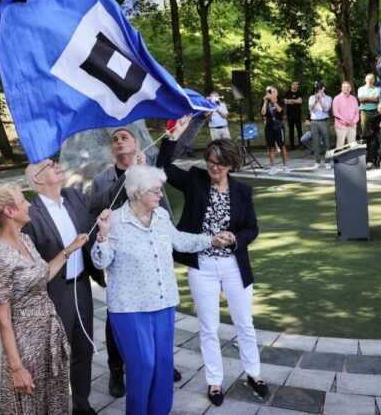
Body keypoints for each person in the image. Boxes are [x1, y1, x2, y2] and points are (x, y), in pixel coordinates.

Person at [90, 165, 236, 412]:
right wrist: (102, 236)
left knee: (163, 363)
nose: (161, 195)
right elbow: (100, 261)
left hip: (163, 301)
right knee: (143, 365)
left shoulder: (161, 217)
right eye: (156, 191)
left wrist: (211, 239)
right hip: (130, 308)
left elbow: (179, 240)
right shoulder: (115, 220)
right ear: (137, 193)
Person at [157, 130, 267, 407]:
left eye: (219, 163)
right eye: (210, 161)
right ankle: (214, 381)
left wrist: (236, 238)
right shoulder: (195, 179)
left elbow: (252, 228)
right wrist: (172, 137)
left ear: (231, 164)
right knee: (208, 327)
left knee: (245, 324)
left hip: (234, 264)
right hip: (202, 265)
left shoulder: (242, 191)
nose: (213, 167)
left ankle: (254, 374)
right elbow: (163, 168)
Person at [89, 127, 184, 398]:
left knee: (156, 315)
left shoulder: (151, 169)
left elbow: (161, 203)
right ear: (112, 149)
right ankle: (117, 370)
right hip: (122, 255)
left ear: (136, 144)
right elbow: (99, 208)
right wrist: (130, 179)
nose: (119, 142)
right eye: (114, 140)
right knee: (118, 318)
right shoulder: (103, 179)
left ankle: (160, 365)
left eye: (124, 138)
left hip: (150, 250)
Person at [21, 159, 121, 415]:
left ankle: (81, 404)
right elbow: (29, 269)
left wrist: (129, 171)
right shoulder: (30, 216)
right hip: (53, 293)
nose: (57, 166)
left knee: (83, 349)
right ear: (38, 180)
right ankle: (51, 407)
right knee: (53, 357)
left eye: (54, 163)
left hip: (81, 288)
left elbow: (106, 197)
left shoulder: (73, 196)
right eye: (49, 166)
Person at [0, 184, 89, 415]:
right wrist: (17, 367)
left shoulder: (25, 241)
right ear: (9, 212)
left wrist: (70, 249)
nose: (29, 204)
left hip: (49, 336)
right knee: (32, 406)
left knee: (55, 401)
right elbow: (2, 319)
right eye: (22, 201)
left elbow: (42, 275)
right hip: (25, 345)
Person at [262, 86, 290, 175]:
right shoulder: (266, 102)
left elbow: (280, 111)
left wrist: (274, 102)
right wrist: (265, 101)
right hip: (269, 127)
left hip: (278, 126)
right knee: (271, 147)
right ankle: (273, 167)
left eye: (273, 91)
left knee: (282, 146)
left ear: (276, 93)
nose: (271, 93)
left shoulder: (280, 100)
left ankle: (285, 166)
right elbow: (263, 113)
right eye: (269, 91)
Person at [308, 81, 332, 170]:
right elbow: (311, 109)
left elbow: (326, 109)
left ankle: (327, 161)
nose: (319, 90)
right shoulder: (311, 97)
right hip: (314, 122)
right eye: (317, 88)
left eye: (320, 88)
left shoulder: (328, 98)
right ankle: (317, 161)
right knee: (315, 142)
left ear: (323, 88)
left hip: (324, 121)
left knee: (327, 142)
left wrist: (320, 100)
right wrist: (316, 100)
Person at [333, 81, 360, 147]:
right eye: (344, 87)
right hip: (341, 125)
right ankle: (338, 157)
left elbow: (357, 113)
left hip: (352, 125)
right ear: (342, 88)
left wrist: (352, 122)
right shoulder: (337, 98)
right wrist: (345, 122)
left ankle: (351, 157)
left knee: (352, 144)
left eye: (348, 87)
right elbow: (335, 113)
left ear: (350, 89)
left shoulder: (354, 99)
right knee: (340, 144)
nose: (346, 88)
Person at [357, 74, 381, 139]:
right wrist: (372, 99)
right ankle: (366, 145)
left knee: (377, 128)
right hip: (364, 112)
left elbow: (376, 100)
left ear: (374, 80)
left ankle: (376, 145)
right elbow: (361, 100)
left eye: (371, 79)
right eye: (368, 79)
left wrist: (365, 98)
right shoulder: (360, 89)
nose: (369, 80)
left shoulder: (377, 89)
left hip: (375, 111)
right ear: (365, 80)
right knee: (364, 129)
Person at [283, 81, 304, 149]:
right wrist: (295, 100)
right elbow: (285, 101)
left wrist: (291, 100)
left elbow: (300, 101)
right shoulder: (288, 92)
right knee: (291, 130)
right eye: (293, 84)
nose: (295, 85)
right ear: (291, 85)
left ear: (298, 86)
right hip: (290, 114)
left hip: (297, 114)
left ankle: (301, 144)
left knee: (299, 130)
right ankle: (292, 145)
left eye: (296, 84)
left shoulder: (299, 93)